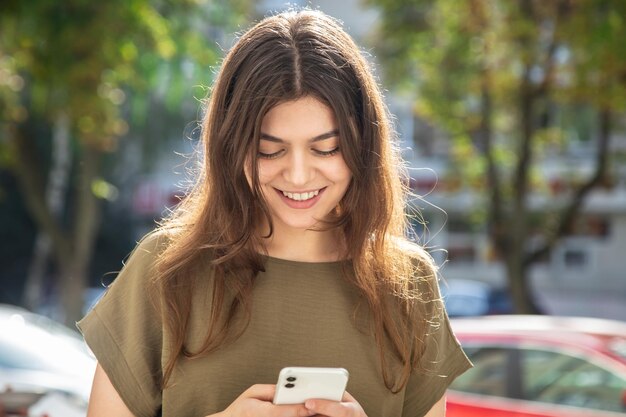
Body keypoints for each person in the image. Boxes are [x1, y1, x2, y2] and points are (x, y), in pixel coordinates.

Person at [78, 9, 472, 417]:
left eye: (327, 148)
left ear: (363, 145)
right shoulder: (168, 270)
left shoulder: (407, 283)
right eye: (270, 150)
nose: (298, 175)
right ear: (231, 147)